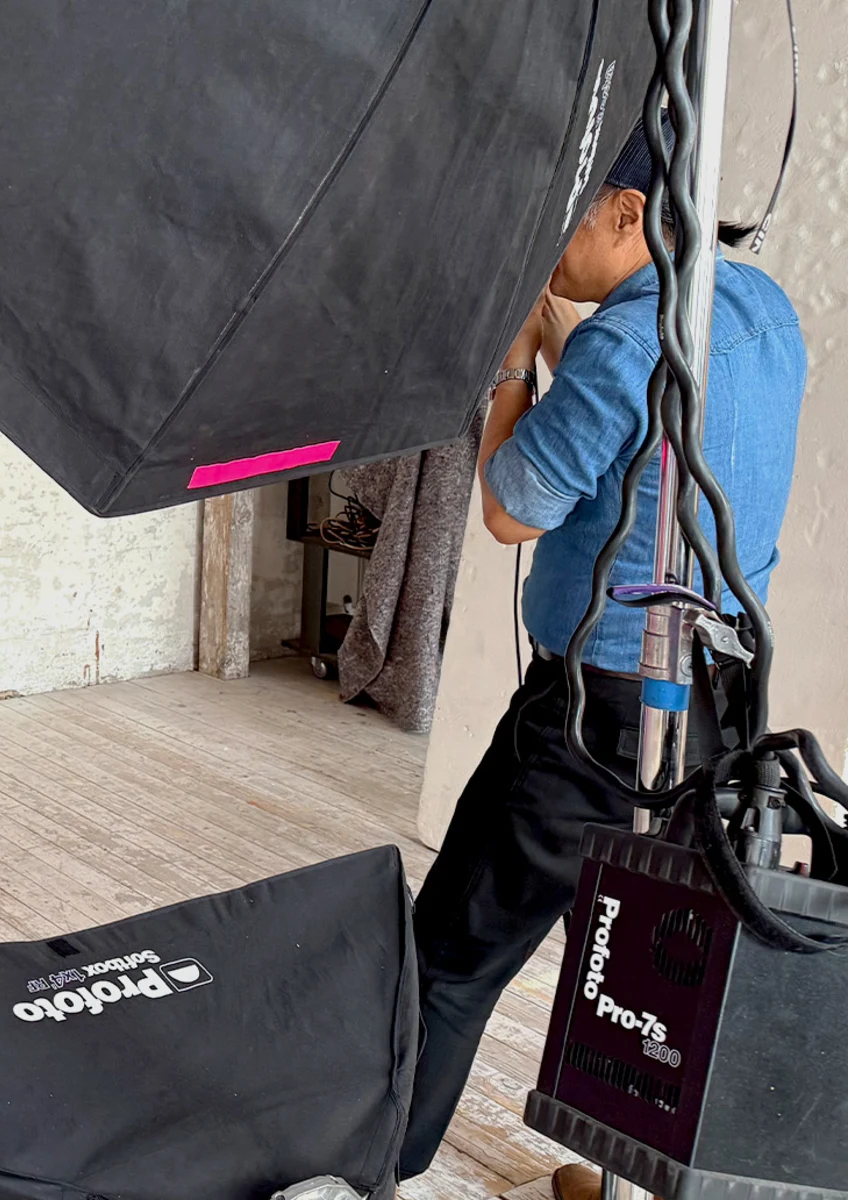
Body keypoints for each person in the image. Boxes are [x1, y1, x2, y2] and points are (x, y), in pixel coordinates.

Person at [398, 117, 807, 1200]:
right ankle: (619, 1181)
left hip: (597, 717)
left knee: (446, 960)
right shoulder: (762, 307)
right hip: (719, 707)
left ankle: (367, 1172)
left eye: (556, 221)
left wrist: (510, 366)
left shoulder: (625, 341)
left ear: (624, 211)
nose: (546, 249)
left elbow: (508, 508)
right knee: (655, 972)